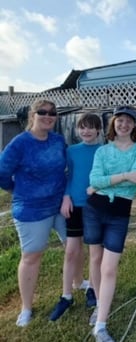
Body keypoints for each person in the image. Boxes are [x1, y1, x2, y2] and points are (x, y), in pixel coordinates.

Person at [0, 99, 67, 327]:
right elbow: (2, 172)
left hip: (60, 205)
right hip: (31, 209)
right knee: (32, 257)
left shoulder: (58, 141)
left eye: (52, 113)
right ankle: (26, 307)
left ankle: (78, 282)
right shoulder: (19, 144)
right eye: (42, 112)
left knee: (74, 246)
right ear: (32, 116)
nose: (48, 116)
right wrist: (17, 190)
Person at [84, 106, 136, 342]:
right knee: (95, 261)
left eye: (129, 121)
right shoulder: (102, 151)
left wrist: (104, 184)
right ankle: (99, 306)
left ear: (134, 125)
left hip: (119, 212)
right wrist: (124, 176)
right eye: (120, 120)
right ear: (113, 124)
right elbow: (93, 181)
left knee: (109, 268)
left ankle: (101, 326)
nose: (124, 125)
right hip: (94, 209)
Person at [49, 113, 103, 321]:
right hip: (74, 206)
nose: (86, 131)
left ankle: (93, 288)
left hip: (96, 207)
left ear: (98, 130)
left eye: (91, 127)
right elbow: (68, 176)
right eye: (82, 127)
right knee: (72, 251)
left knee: (94, 251)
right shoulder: (71, 151)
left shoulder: (103, 151)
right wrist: (65, 197)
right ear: (77, 130)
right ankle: (66, 295)